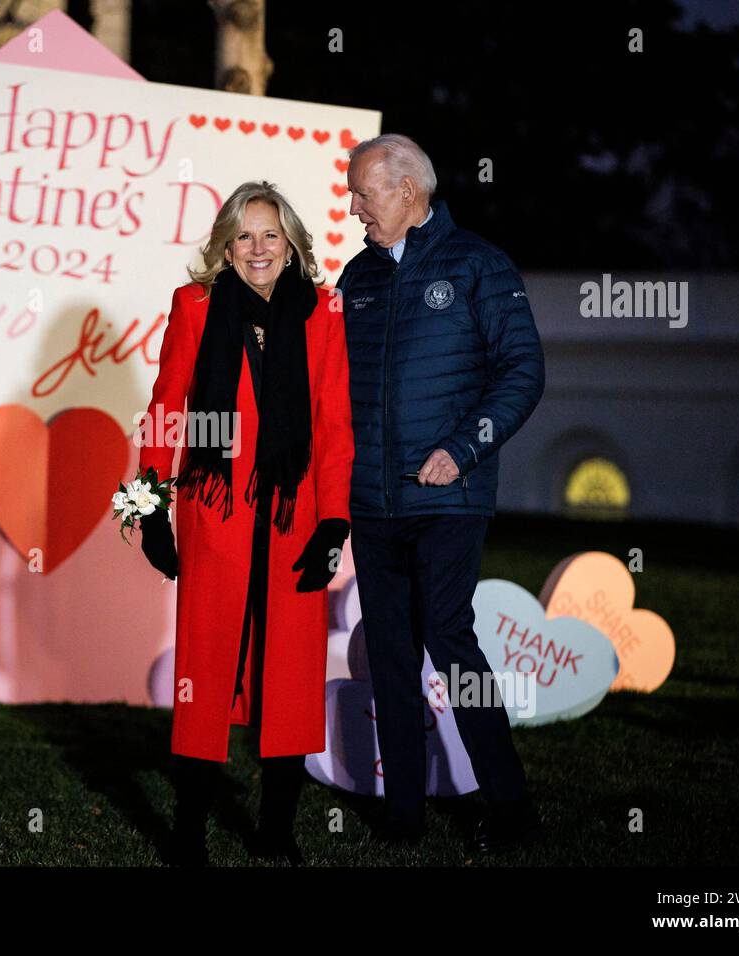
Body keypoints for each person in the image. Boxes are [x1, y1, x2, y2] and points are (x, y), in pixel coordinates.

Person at [336, 134, 547, 853]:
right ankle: (403, 816)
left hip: (448, 501)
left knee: (452, 643)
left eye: (363, 191)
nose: (353, 204)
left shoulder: (478, 264)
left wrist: (462, 449)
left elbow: (522, 372)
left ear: (407, 191)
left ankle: (511, 807)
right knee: (389, 652)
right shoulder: (356, 276)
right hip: (372, 503)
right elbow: (335, 391)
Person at [135, 181, 354, 866]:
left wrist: (334, 523)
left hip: (296, 519)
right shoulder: (195, 306)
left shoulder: (323, 311)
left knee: (290, 672)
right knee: (205, 666)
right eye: (244, 236)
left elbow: (334, 425)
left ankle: (275, 831)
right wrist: (149, 509)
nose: (257, 249)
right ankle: (188, 830)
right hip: (216, 511)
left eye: (270, 235)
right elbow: (168, 405)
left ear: (291, 244)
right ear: (225, 246)